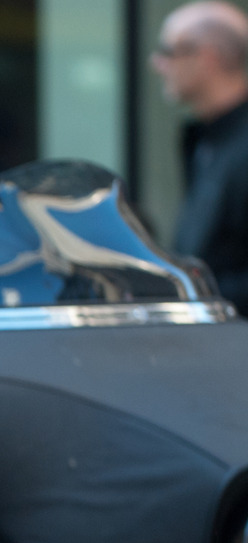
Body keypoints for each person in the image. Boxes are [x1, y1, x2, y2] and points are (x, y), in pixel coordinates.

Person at [151, 0, 248, 314]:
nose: (157, 63)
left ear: (207, 58)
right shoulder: (207, 140)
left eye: (168, 51)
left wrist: (191, 296)